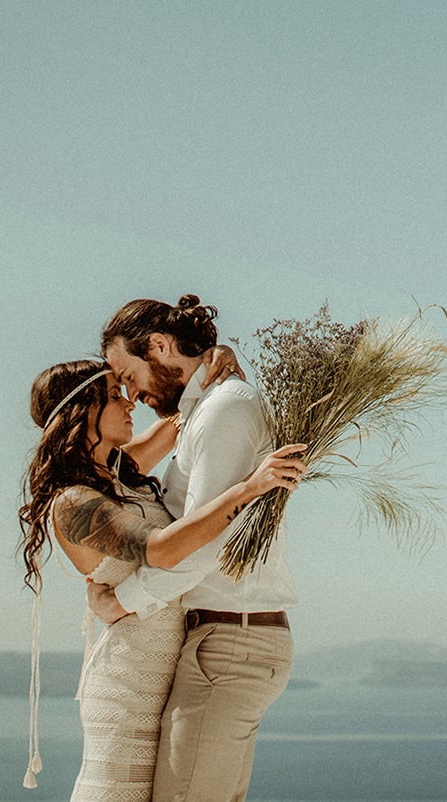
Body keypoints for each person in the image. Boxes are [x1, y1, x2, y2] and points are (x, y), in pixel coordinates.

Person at [16, 352, 307, 800]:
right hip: (129, 682)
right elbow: (164, 548)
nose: (131, 400)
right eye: (115, 395)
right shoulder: (74, 502)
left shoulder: (119, 469)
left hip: (170, 669)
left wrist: (214, 364)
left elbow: (188, 412)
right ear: (82, 413)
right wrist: (250, 487)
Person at [86, 294, 294, 801]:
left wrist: (123, 602)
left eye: (128, 375)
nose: (129, 393)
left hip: (230, 644)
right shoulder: (208, 408)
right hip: (225, 640)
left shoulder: (226, 408)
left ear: (158, 345)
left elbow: (205, 542)